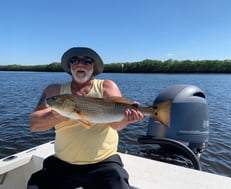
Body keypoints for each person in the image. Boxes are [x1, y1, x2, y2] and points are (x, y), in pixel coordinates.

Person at [27, 47, 144, 189]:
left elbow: (115, 126)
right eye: (75, 60)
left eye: (87, 61)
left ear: (93, 67)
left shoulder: (107, 86)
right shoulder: (55, 91)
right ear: (70, 66)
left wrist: (126, 119)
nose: (80, 64)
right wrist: (55, 115)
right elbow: (34, 124)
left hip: (104, 164)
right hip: (63, 164)